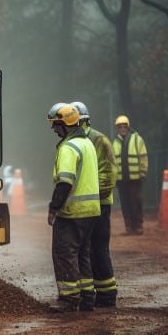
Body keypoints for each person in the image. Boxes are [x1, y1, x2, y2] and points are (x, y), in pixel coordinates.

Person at [47, 103, 101, 312]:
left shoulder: (69, 148)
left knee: (64, 254)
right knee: (83, 254)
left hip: (72, 213)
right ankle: (88, 297)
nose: (53, 130)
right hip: (92, 211)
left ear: (64, 124)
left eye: (55, 125)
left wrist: (54, 207)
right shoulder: (87, 144)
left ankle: (68, 300)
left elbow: (65, 182)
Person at [71, 101, 118, 307]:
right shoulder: (78, 140)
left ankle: (107, 296)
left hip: (99, 204)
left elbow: (108, 175)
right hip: (86, 206)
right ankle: (89, 295)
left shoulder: (98, 140)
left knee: (98, 248)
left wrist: (94, 199)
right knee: (86, 250)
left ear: (83, 121)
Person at [112, 115, 148, 235]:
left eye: (124, 126)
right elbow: (113, 162)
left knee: (136, 202)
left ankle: (138, 226)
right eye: (120, 127)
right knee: (125, 204)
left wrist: (143, 172)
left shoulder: (137, 140)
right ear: (117, 128)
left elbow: (143, 157)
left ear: (128, 127)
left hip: (135, 178)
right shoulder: (115, 143)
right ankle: (129, 227)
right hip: (121, 180)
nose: (122, 128)